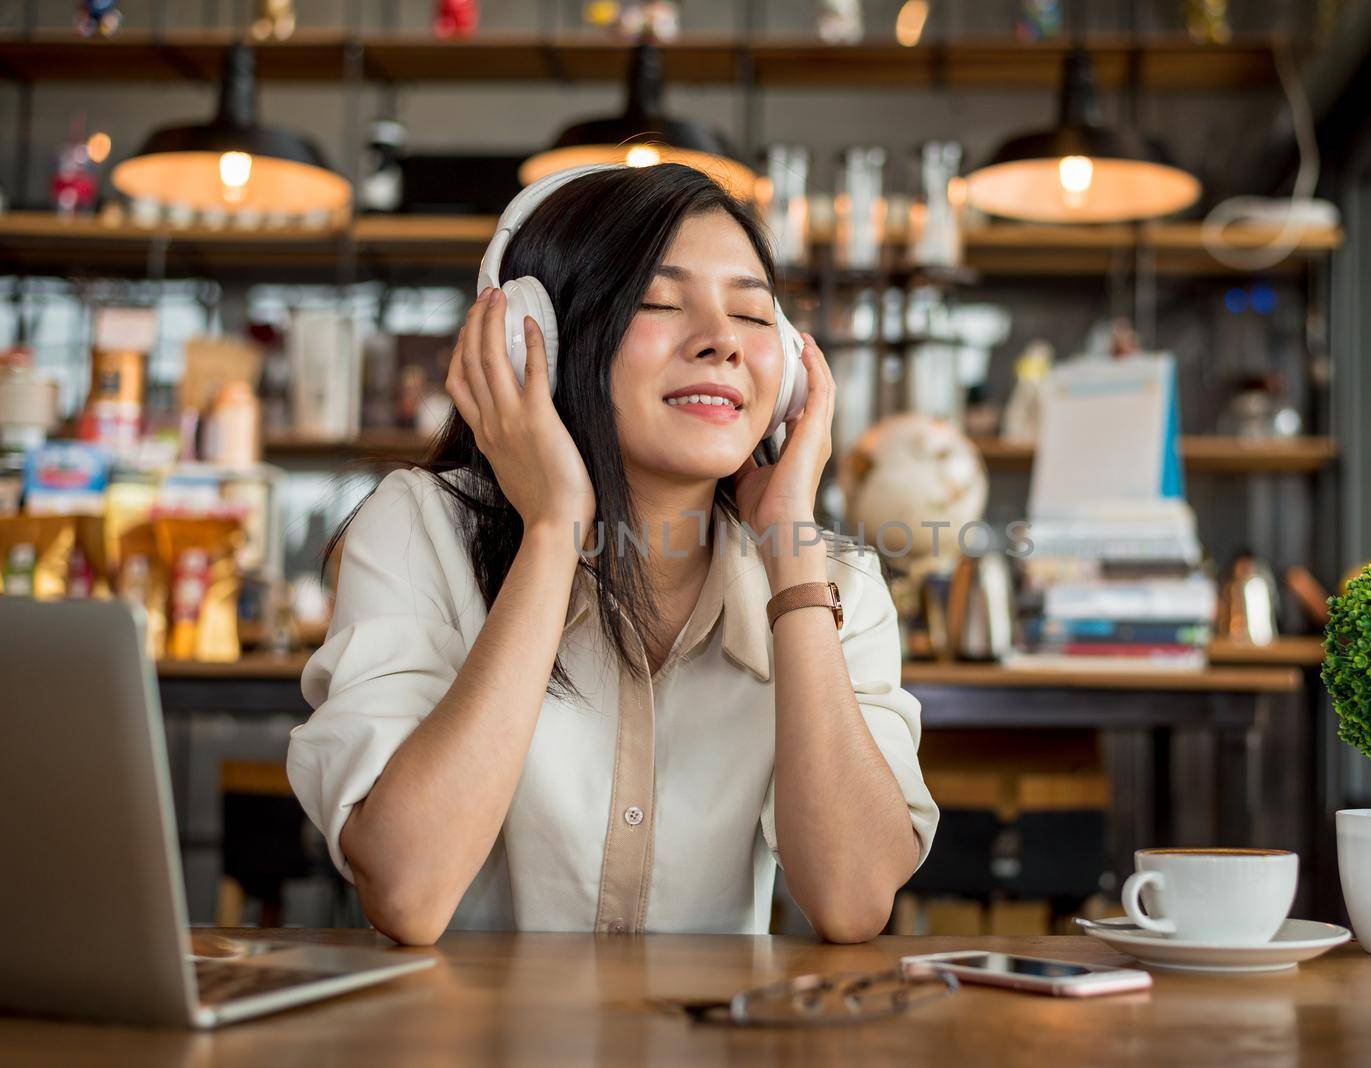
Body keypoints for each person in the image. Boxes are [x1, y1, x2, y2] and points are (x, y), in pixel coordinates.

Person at [286, 163, 938, 945]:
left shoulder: (835, 584)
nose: (723, 343)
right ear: (540, 343)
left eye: (754, 316)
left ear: (793, 373)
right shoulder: (421, 529)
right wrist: (553, 527)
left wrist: (791, 549)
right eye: (658, 302)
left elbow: (852, 900)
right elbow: (406, 892)